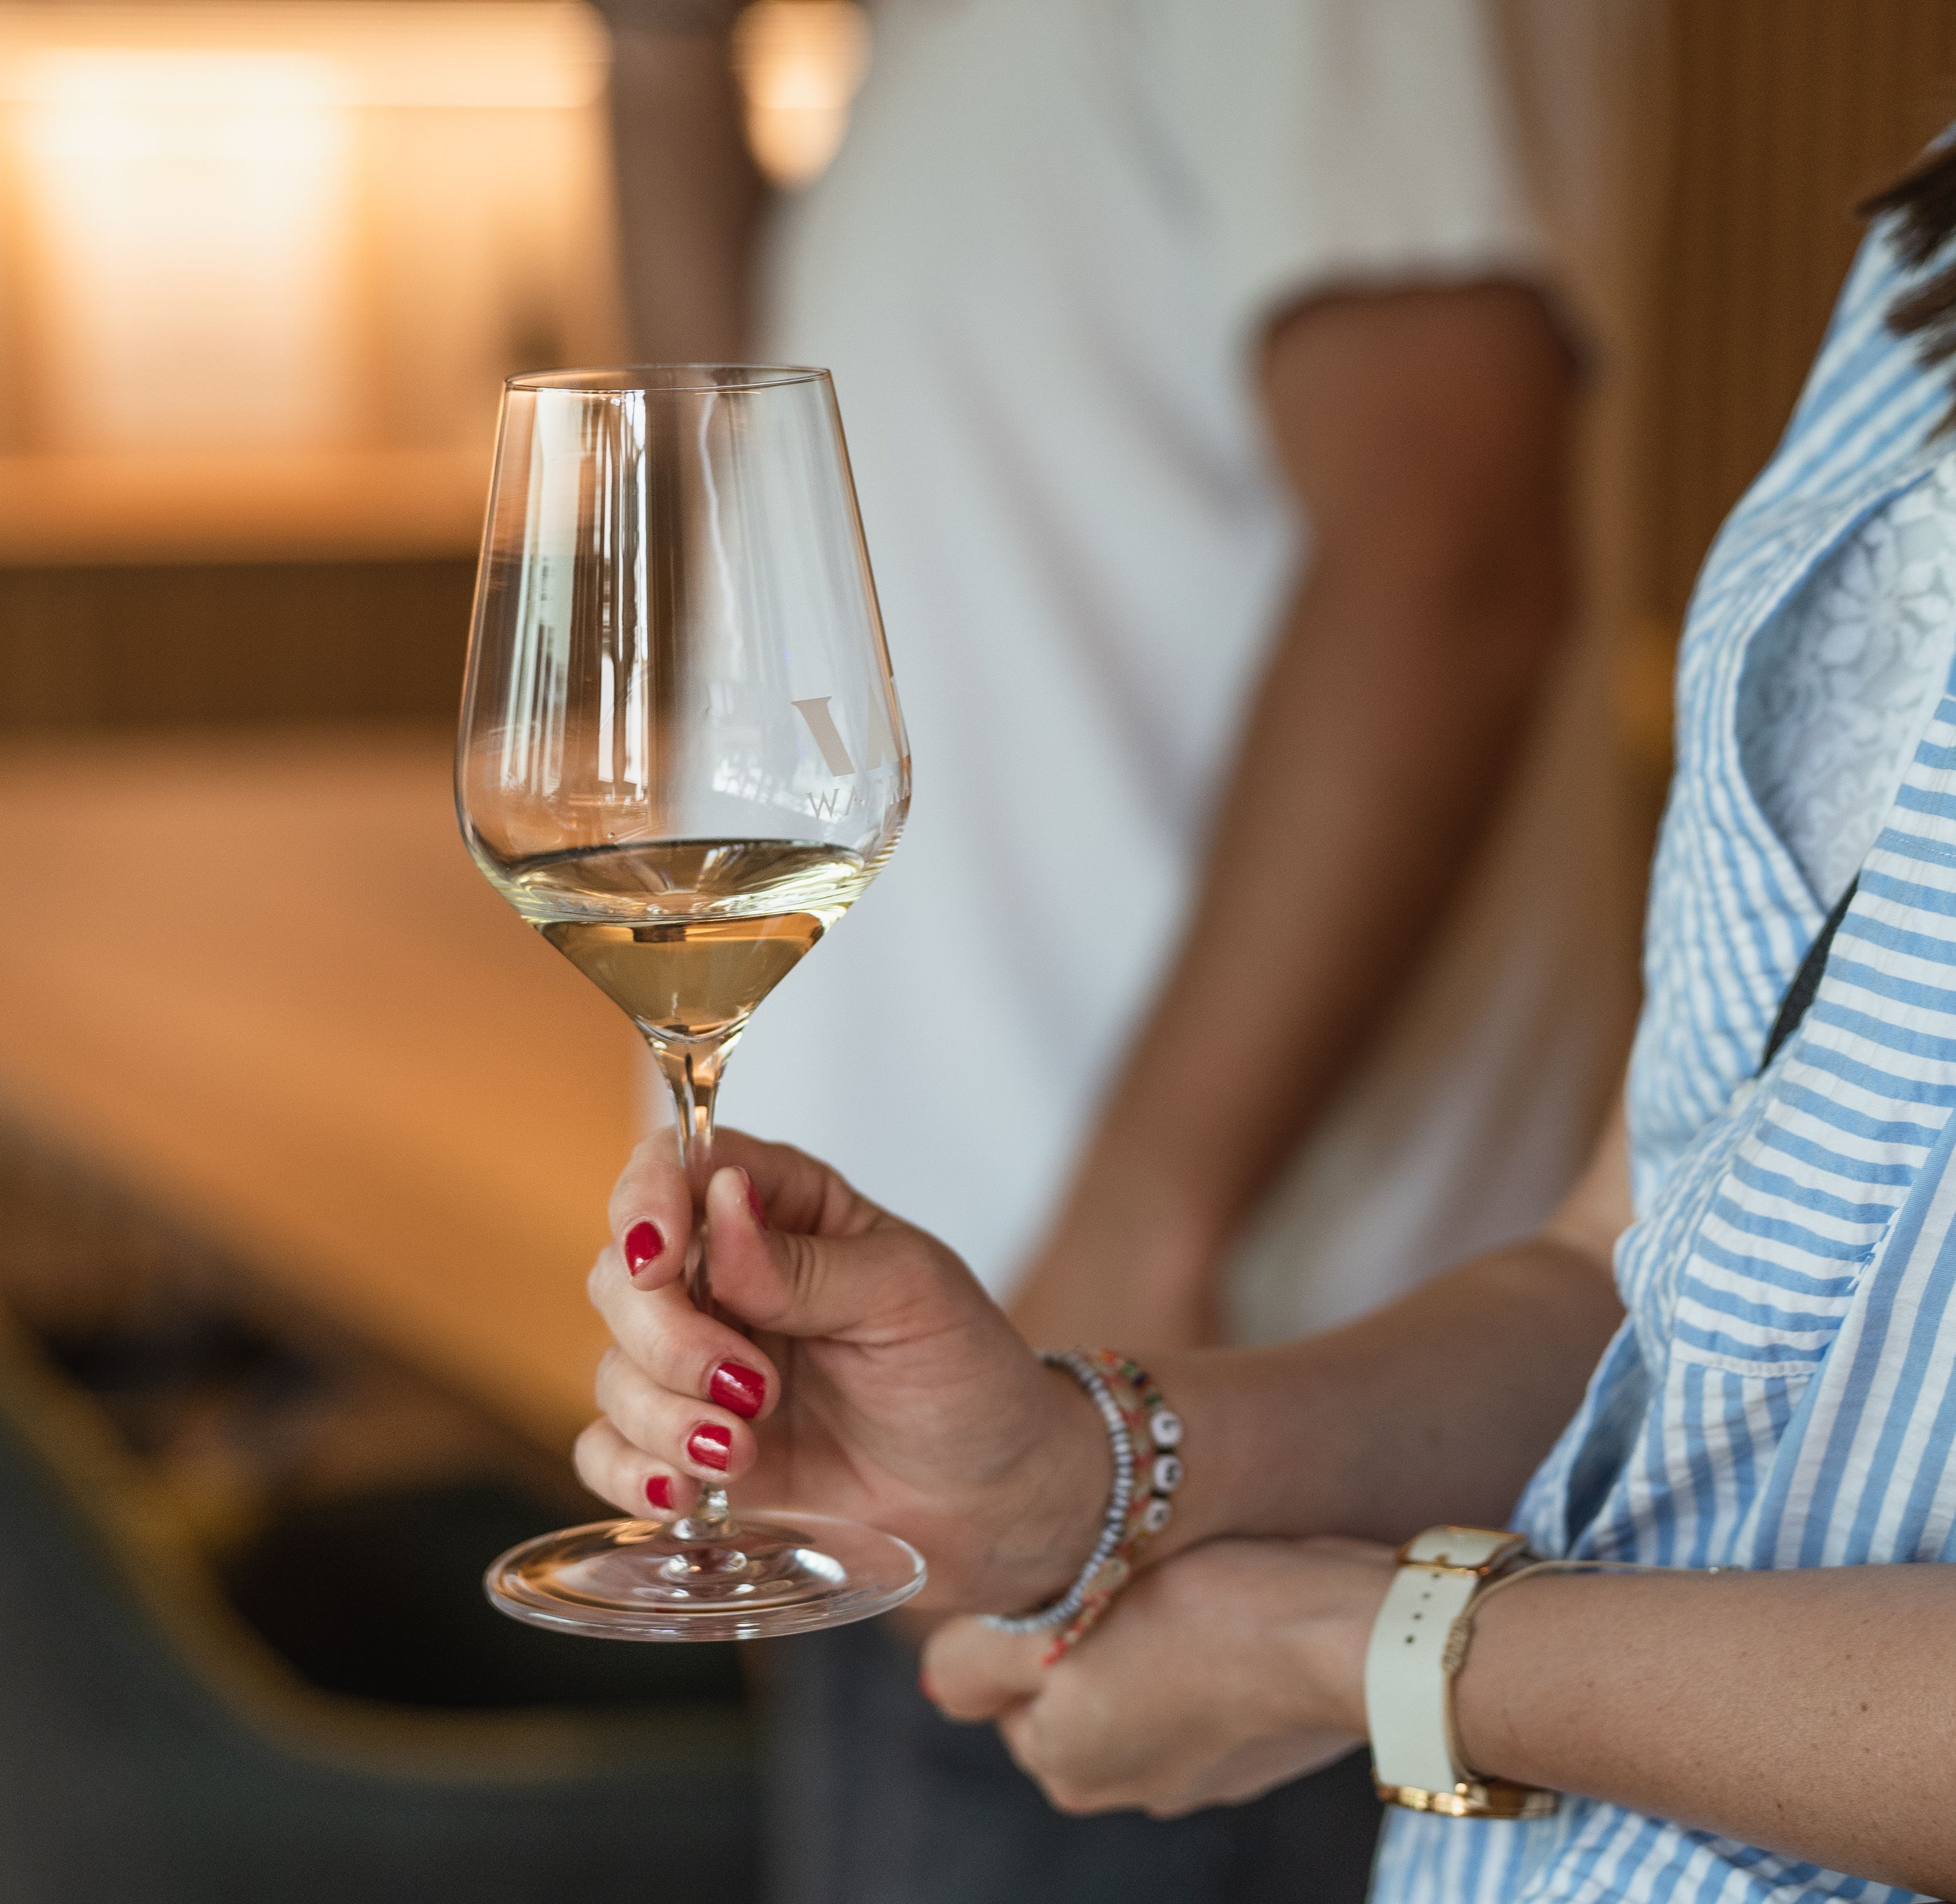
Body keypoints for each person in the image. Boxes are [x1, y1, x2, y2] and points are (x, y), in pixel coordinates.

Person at [569, 144, 1956, 1904]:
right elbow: (1635, 1275)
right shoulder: (1920, 270)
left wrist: (1367, 1649)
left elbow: (1447, 561)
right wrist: (1080, 1465)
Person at [598, 0, 1630, 1893]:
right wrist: (664, 65)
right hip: (924, 1425)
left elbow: (1451, 562)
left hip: (1203, 1430)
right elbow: (748, 539)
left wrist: (1133, 1264)